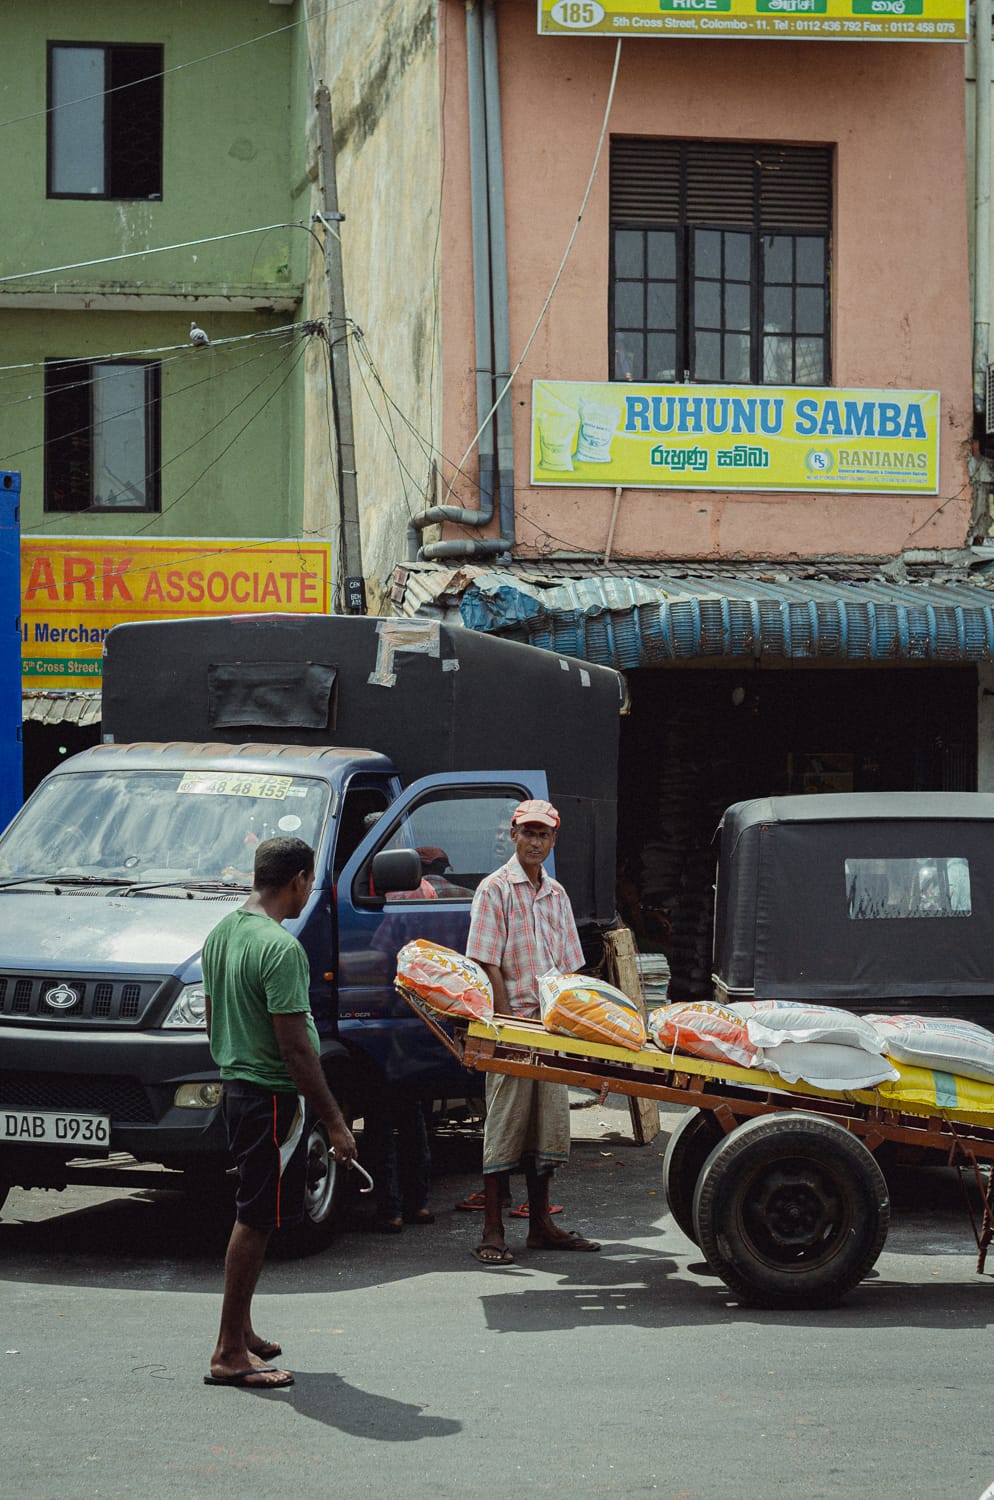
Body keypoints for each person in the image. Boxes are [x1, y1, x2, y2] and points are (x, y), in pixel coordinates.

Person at [202, 835, 356, 1389]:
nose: (307, 891)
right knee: (257, 1218)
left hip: (237, 1088)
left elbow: (213, 1017)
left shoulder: (222, 933)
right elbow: (295, 1048)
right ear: (297, 880)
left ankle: (241, 1332)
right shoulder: (281, 948)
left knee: (253, 1208)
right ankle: (227, 1352)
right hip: (267, 1097)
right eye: (309, 881)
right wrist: (335, 1122)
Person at [464, 798, 600, 1266]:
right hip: (512, 1025)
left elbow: (568, 969)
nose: (535, 842)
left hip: (551, 1026)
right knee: (504, 1125)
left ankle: (541, 1224)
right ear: (513, 835)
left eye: (544, 835)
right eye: (528, 833)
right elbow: (486, 961)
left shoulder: (556, 894)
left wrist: (575, 1029)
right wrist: (506, 1026)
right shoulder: (495, 889)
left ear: (552, 840)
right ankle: (493, 1227)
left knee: (548, 1128)